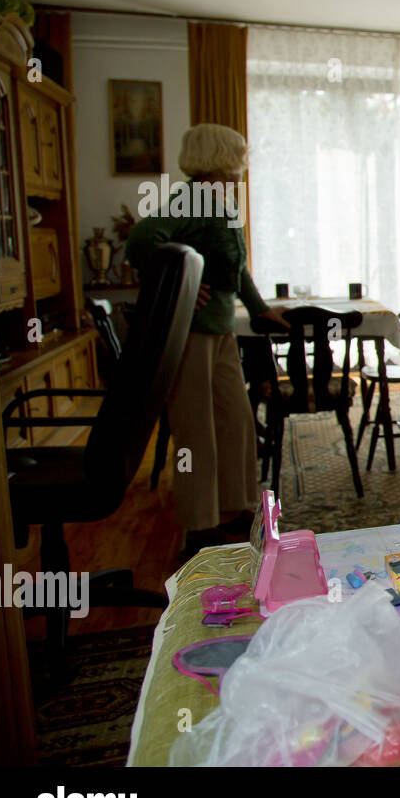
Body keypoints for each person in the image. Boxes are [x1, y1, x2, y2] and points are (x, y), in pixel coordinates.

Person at [126, 123, 289, 552]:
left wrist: (258, 310)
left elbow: (236, 269)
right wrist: (179, 278)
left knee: (235, 419)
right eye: (238, 155)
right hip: (193, 332)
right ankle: (198, 527)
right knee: (197, 430)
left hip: (219, 329)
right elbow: (141, 240)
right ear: (221, 157)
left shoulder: (219, 202)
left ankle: (235, 508)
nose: (242, 164)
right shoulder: (194, 199)